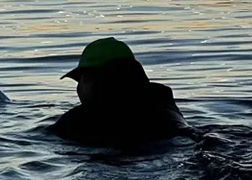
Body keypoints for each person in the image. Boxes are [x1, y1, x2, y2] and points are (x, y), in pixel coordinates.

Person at [50, 37, 186, 147]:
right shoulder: (165, 105)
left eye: (80, 80)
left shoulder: (78, 120)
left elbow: (48, 140)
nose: (78, 88)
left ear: (92, 80)